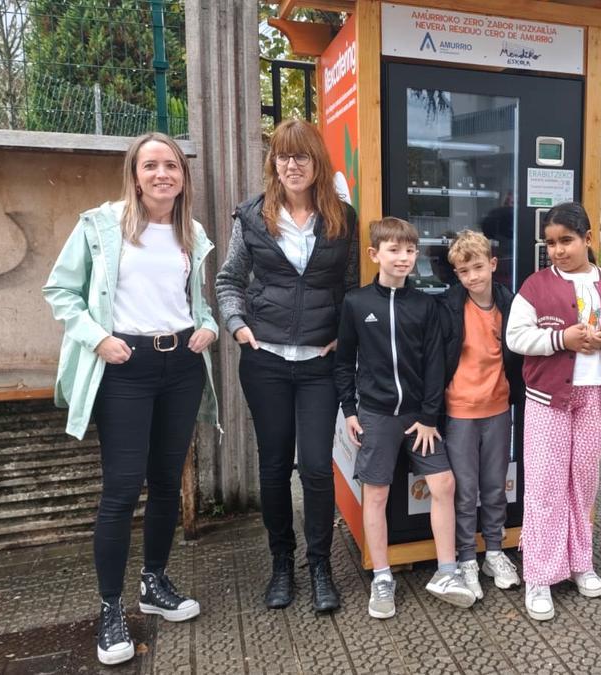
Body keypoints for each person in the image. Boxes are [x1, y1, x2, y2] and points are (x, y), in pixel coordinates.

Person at [43, 132, 219, 666]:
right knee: (121, 490)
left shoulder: (192, 231)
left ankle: (153, 584)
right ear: (135, 173)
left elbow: (196, 300)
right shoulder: (100, 225)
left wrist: (207, 325)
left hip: (182, 365)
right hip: (125, 367)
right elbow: (60, 291)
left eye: (171, 165)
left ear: (182, 176)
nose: (162, 173)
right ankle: (110, 608)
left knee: (167, 483)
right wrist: (98, 338)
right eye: (151, 165)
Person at [215, 119, 357, 613]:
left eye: (301, 156)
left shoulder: (342, 217)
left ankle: (320, 565)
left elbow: (354, 287)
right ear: (273, 162)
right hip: (266, 362)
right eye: (282, 156)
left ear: (318, 162)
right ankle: (281, 563)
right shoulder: (252, 216)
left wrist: (344, 333)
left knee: (317, 469)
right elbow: (229, 278)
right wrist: (237, 325)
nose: (291, 165)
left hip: (319, 364)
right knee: (274, 469)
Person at [507, 202, 601, 621]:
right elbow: (516, 336)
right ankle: (538, 574)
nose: (556, 250)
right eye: (550, 242)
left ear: (589, 239)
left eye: (565, 240)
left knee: (582, 482)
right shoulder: (535, 286)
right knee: (546, 484)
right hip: (548, 398)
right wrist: (560, 339)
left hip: (596, 397)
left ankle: (578, 561)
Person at [335, 217, 476, 619]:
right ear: (374, 254)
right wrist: (348, 410)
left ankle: (446, 572)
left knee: (444, 483)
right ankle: (382, 576)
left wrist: (431, 416)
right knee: (376, 494)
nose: (403, 257)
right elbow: (343, 363)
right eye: (394, 250)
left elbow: (435, 364)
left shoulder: (425, 305)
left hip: (420, 417)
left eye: (410, 250)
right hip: (377, 416)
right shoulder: (357, 303)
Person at [439, 230, 525, 599]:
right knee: (464, 489)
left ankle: (493, 551)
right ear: (456, 275)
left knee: (494, 486)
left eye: (477, 267)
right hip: (459, 410)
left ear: (492, 264)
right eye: (463, 271)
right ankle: (465, 558)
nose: (472, 276)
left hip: (498, 407)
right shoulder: (447, 307)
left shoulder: (510, 304)